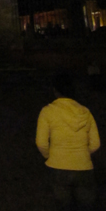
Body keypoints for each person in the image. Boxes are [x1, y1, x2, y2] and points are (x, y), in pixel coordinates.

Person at [36, 73, 100, 211]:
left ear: (55, 90)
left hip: (58, 166)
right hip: (84, 167)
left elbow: (41, 143)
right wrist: (82, 154)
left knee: (63, 206)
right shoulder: (85, 112)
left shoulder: (47, 111)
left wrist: (50, 155)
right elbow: (95, 143)